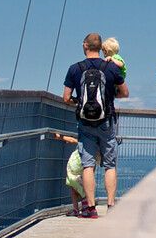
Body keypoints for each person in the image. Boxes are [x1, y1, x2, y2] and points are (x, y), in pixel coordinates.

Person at [62, 32, 126, 217]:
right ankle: (111, 206)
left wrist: (78, 102)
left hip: (85, 122)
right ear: (100, 48)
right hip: (106, 121)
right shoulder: (111, 67)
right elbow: (125, 92)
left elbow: (66, 97)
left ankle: (90, 208)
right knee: (110, 164)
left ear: (84, 46)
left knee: (88, 165)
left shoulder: (75, 68)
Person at [49, 130, 84, 215]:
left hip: (77, 165)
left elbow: (73, 140)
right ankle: (82, 208)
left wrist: (61, 137)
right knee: (78, 186)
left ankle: (80, 208)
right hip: (82, 166)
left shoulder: (87, 139)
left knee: (77, 186)